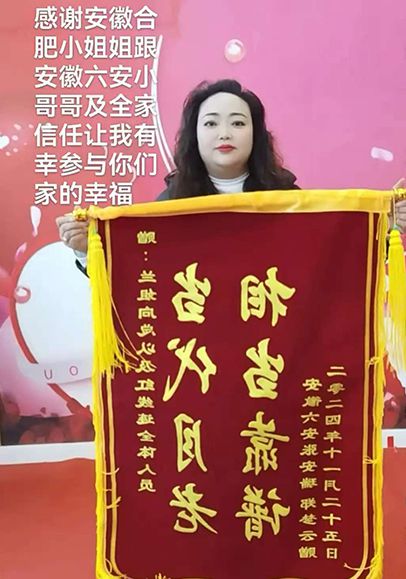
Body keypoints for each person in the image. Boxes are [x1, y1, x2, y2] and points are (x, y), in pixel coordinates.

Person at [56, 78, 300, 266]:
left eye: (238, 123)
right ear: (195, 136)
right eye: (211, 123)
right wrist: (88, 249)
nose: (224, 133)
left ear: (256, 134)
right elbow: (141, 275)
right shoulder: (171, 204)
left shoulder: (289, 200)